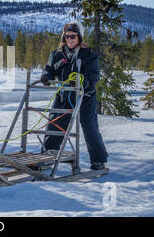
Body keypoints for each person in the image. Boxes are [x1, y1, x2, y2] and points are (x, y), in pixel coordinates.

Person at [40, 21, 108, 170]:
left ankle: (98, 160)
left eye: (73, 36)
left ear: (80, 38)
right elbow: (49, 68)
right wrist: (46, 76)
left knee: (89, 126)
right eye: (67, 36)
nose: (69, 40)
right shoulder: (57, 54)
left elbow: (94, 77)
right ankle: (48, 156)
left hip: (85, 97)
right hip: (64, 95)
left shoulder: (88, 56)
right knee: (55, 123)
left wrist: (80, 83)